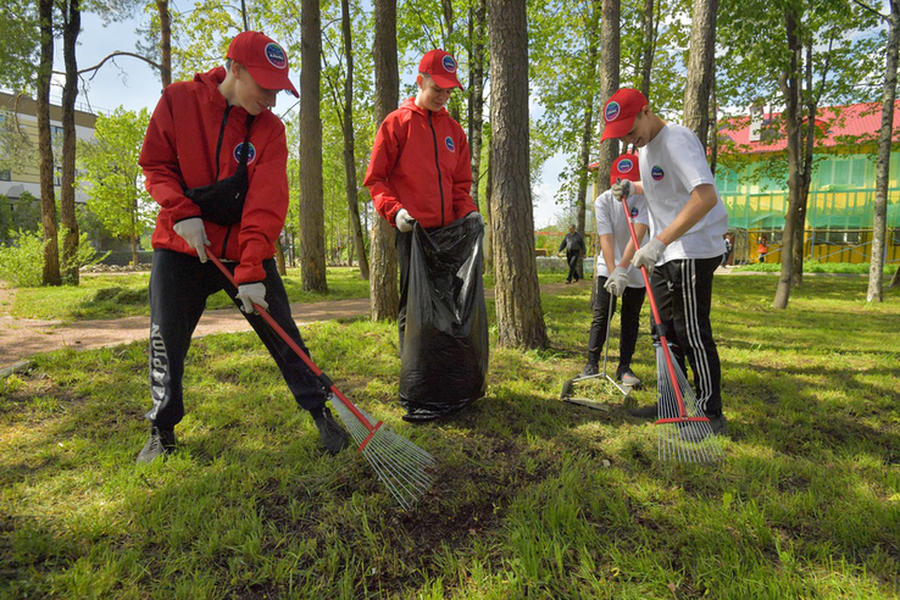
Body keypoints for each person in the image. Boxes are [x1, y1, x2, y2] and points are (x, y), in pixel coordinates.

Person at [135, 31, 350, 463]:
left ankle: (321, 413)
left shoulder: (270, 130)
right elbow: (156, 165)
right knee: (166, 340)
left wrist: (251, 270)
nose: (272, 100)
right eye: (265, 88)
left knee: (284, 332)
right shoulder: (178, 102)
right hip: (182, 246)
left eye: (278, 90)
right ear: (235, 69)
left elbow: (266, 203)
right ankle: (162, 429)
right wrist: (182, 212)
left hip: (241, 249)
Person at [363, 49, 485, 421]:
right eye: (437, 89)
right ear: (420, 82)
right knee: (414, 311)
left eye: (449, 92)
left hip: (449, 238)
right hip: (413, 233)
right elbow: (377, 180)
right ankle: (417, 382)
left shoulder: (454, 132)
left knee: (450, 310)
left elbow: (461, 185)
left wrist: (471, 213)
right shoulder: (397, 124)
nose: (443, 97)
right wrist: (395, 211)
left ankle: (447, 382)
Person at [601, 87, 728, 439]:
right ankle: (671, 402)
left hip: (691, 248)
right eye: (622, 135)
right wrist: (634, 188)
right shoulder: (646, 149)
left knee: (691, 331)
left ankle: (709, 412)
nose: (629, 138)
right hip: (667, 252)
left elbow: (704, 196)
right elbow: (663, 185)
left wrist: (659, 241)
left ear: (646, 111)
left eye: (631, 128)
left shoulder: (677, 140)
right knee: (663, 333)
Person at [581, 152, 649, 388]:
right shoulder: (603, 201)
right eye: (619, 181)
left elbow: (637, 235)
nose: (623, 187)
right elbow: (606, 238)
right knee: (603, 314)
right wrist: (613, 272)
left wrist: (624, 269)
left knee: (631, 318)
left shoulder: (644, 199)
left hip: (636, 263)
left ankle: (624, 367)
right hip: (607, 264)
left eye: (628, 182)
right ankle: (591, 364)